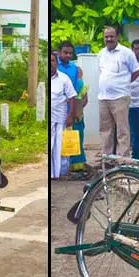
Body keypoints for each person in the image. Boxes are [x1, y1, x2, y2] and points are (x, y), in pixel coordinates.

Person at [97, 26, 139, 158]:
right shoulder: (101, 53)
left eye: (112, 36)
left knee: (122, 131)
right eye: (106, 37)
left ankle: (123, 161)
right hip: (103, 97)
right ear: (104, 38)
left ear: (117, 37)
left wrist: (124, 83)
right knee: (105, 131)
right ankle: (107, 160)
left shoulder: (126, 53)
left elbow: (137, 71)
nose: (109, 39)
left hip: (120, 97)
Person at [57, 41, 89, 175]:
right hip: (60, 107)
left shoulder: (75, 68)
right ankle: (60, 167)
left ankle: (77, 166)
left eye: (70, 53)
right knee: (61, 137)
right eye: (65, 52)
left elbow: (80, 88)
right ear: (59, 52)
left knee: (77, 135)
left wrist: (80, 106)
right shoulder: (55, 66)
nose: (68, 55)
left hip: (76, 105)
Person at [51, 51, 78, 179]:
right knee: (50, 148)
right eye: (49, 61)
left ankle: (60, 174)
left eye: (53, 61)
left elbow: (72, 97)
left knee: (61, 148)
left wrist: (70, 116)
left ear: (57, 63)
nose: (51, 63)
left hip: (61, 119)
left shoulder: (63, 78)